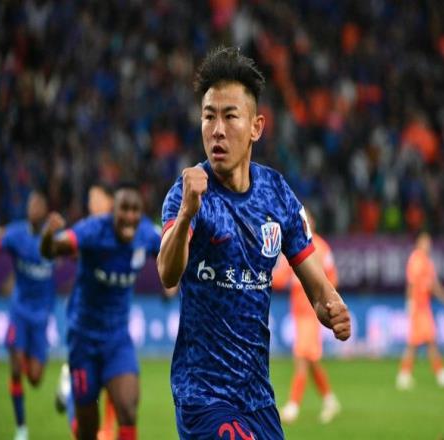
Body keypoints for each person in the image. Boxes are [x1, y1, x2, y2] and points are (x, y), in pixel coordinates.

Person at [157, 46, 351, 440]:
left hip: (258, 399)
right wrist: (188, 215)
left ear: (256, 127)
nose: (217, 129)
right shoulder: (188, 193)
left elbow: (318, 288)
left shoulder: (277, 195)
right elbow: (167, 272)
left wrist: (332, 307)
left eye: (230, 116)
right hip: (203, 397)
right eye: (208, 116)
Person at [41, 182, 162, 440]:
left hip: (118, 339)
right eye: (124, 209)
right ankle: (70, 392)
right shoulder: (94, 230)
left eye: (135, 210)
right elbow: (53, 250)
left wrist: (173, 284)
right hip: (83, 339)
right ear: (112, 211)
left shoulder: (146, 234)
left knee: (128, 411)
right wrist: (49, 236)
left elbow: (174, 253)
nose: (129, 216)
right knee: (86, 432)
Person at [0, 190, 56, 440]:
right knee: (15, 368)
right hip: (20, 311)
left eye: (38, 205)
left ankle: (28, 356)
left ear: (45, 210)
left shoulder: (53, 238)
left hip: (42, 316)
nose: (33, 209)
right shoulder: (16, 234)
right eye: (30, 204)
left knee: (35, 379)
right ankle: (21, 428)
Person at [54, 182, 118, 440]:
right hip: (84, 320)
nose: (91, 203)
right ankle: (70, 388)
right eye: (90, 198)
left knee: (116, 379)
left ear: (110, 201)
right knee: (88, 391)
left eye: (96, 197)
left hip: (112, 319)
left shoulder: (124, 229)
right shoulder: (87, 230)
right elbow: (64, 248)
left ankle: (106, 431)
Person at [274, 207, 341, 424]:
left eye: (307, 219)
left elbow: (332, 278)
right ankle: (330, 400)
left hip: (313, 313)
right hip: (298, 314)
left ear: (312, 223)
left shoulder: (321, 248)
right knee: (311, 359)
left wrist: (328, 302)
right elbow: (281, 278)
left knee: (302, 357)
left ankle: (293, 405)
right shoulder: (294, 246)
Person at [396, 231, 444, 390]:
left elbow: (433, 285)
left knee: (420, 342)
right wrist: (410, 302)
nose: (428, 245)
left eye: (429, 242)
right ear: (418, 243)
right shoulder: (416, 259)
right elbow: (411, 283)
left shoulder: (427, 262)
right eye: (424, 241)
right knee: (424, 341)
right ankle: (437, 373)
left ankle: (406, 374)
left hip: (424, 306)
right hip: (418, 307)